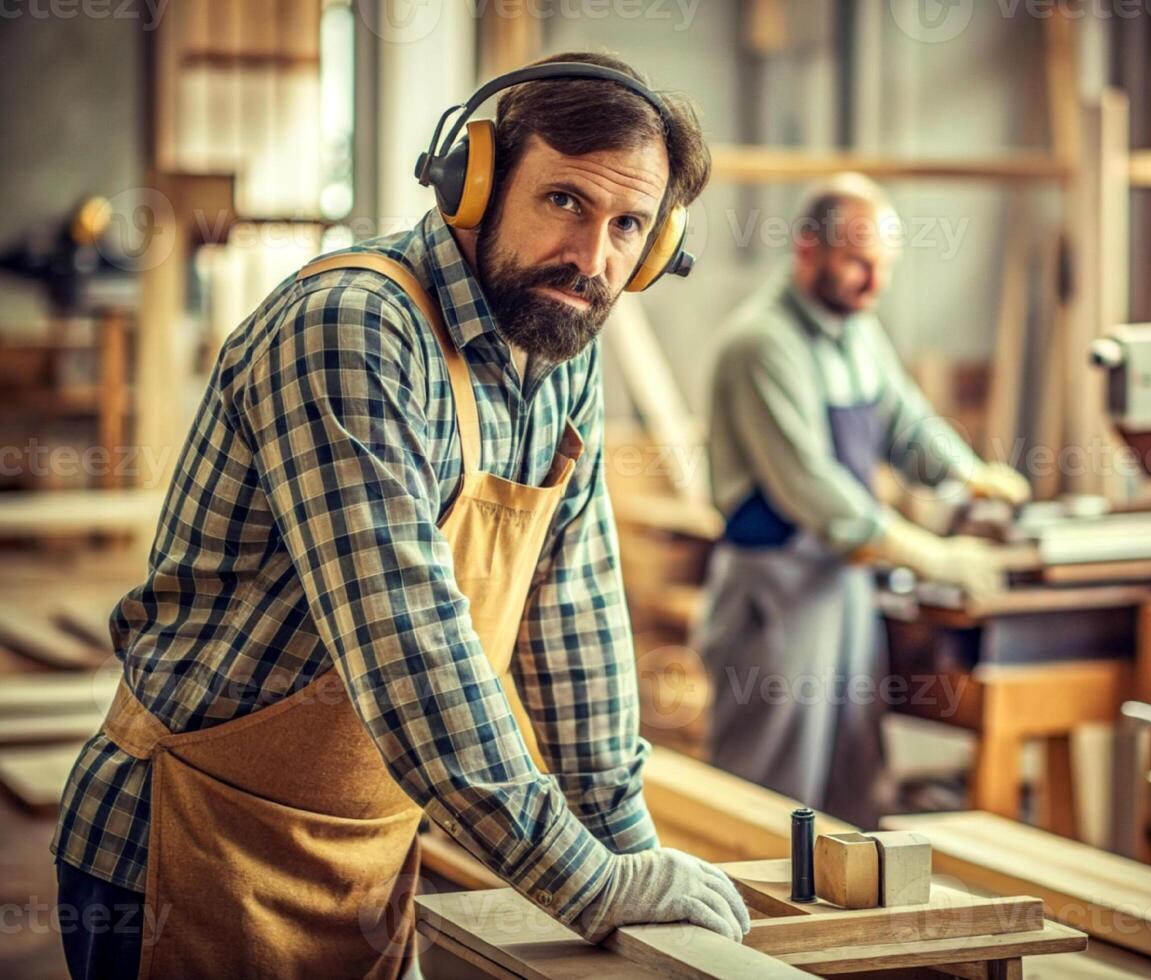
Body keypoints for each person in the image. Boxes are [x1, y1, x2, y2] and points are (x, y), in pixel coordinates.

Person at [52, 53, 750, 979]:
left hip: (369, 858)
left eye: (629, 226)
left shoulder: (560, 344)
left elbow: (574, 617)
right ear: (477, 181)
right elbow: (410, 649)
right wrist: (585, 883)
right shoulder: (352, 330)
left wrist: (629, 856)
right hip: (184, 849)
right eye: (564, 202)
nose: (593, 260)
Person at [698, 173, 1030, 827]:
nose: (874, 284)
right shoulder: (763, 345)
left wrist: (966, 476)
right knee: (770, 793)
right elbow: (814, 491)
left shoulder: (857, 334)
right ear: (806, 251)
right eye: (858, 263)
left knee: (852, 785)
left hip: (843, 585)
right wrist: (934, 556)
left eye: (883, 266)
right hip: (777, 595)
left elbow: (907, 424)